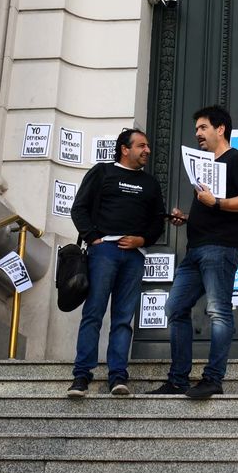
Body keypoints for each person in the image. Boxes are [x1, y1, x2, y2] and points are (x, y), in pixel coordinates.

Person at [150, 105, 238, 399]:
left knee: (218, 311)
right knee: (175, 307)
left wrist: (217, 203)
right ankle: (178, 380)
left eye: (202, 127)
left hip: (222, 247)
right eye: (197, 128)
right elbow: (209, 206)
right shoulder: (205, 163)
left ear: (220, 129)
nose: (197, 133)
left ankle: (213, 379)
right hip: (195, 249)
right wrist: (187, 216)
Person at [68, 127, 165, 397]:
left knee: (123, 319)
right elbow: (79, 208)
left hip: (134, 256)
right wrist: (94, 238)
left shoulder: (150, 184)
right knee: (94, 313)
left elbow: (158, 222)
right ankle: (81, 376)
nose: (147, 150)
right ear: (125, 148)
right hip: (104, 253)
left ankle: (118, 377)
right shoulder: (102, 173)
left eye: (147, 146)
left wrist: (141, 240)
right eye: (141, 146)